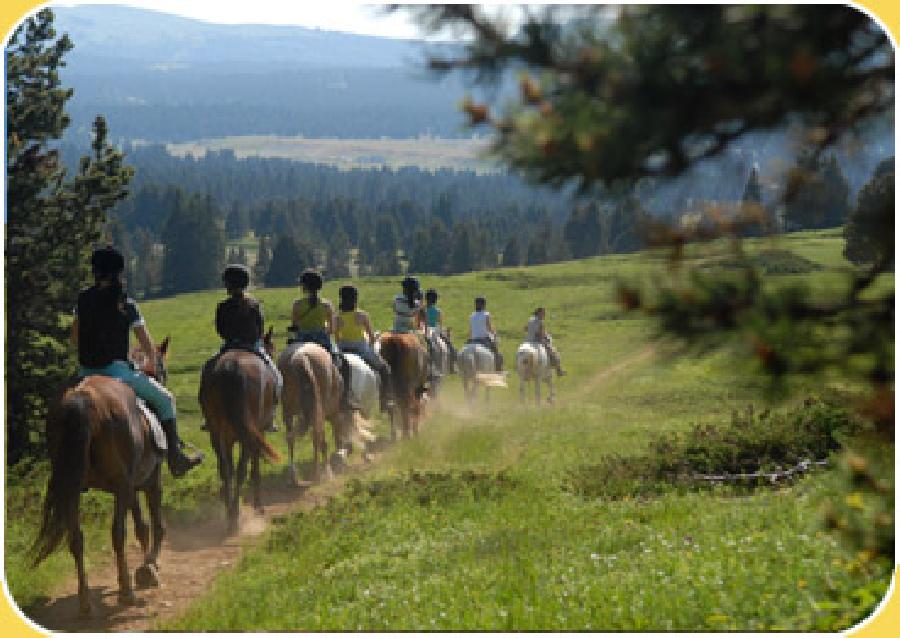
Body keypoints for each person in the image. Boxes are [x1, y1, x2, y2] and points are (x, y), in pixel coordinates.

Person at [72, 246, 202, 477]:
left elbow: (74, 339)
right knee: (166, 400)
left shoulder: (82, 299)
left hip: (84, 372)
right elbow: (146, 343)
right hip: (118, 372)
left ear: (95, 270)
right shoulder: (126, 304)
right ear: (119, 272)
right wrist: (150, 363)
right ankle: (175, 457)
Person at [201, 264, 283, 432]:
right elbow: (260, 329)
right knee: (276, 376)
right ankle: (270, 417)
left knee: (207, 370)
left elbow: (220, 329)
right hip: (252, 346)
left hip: (229, 345)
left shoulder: (223, 306)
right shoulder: (254, 304)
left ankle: (208, 418)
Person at [289, 268, 355, 410]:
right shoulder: (326, 305)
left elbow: (294, 326)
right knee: (343, 363)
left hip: (301, 340)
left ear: (304, 287)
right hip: (322, 340)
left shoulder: (297, 304)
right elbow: (331, 329)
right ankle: (346, 398)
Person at [335, 285, 393, 412]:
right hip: (360, 347)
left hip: (343, 348)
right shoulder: (362, 315)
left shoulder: (337, 318)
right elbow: (371, 337)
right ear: (356, 298)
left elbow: (337, 338)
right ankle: (386, 400)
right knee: (384, 369)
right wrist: (373, 340)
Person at [525, 307, 566, 376]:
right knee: (553, 352)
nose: (544, 315)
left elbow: (525, 329)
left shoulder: (530, 319)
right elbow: (541, 334)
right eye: (543, 313)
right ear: (539, 313)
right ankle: (558, 370)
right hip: (536, 341)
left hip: (528, 341)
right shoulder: (540, 322)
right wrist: (546, 338)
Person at [424, 288, 457, 374]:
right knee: (450, 346)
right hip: (434, 331)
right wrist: (446, 331)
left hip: (422, 330)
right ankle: (452, 367)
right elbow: (439, 326)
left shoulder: (422, 310)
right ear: (435, 299)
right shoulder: (438, 311)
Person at [467, 296, 503, 372]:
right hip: (484, 339)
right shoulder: (486, 314)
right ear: (484, 305)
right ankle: (499, 371)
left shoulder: (471, 316)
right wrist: (495, 334)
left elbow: (470, 330)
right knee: (497, 353)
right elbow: (489, 328)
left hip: (473, 340)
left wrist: (469, 339)